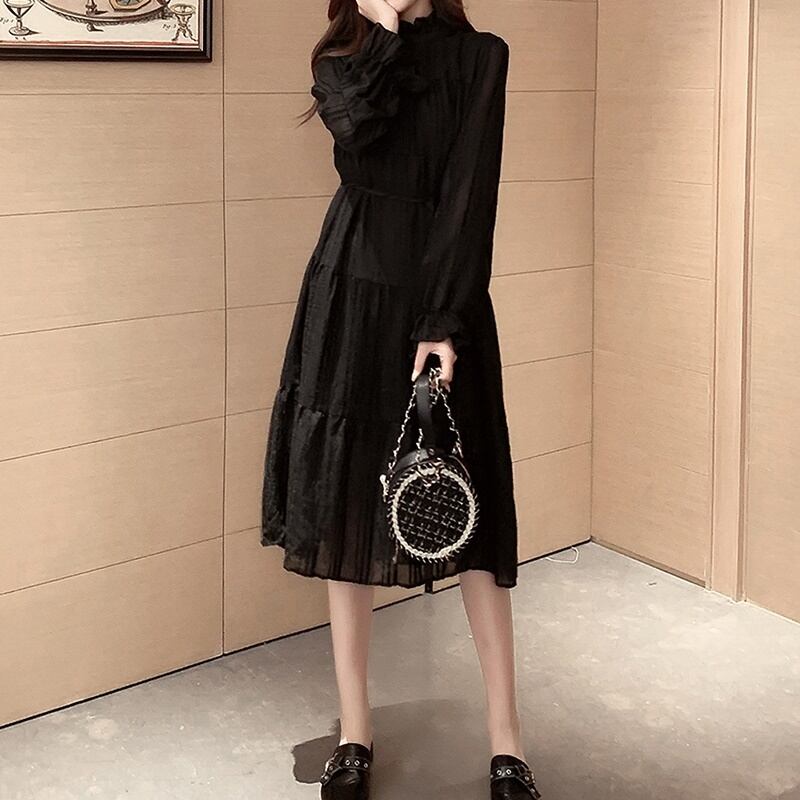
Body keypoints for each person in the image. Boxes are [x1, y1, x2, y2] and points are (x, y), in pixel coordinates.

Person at [260, 1, 541, 797]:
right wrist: (379, 28)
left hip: (440, 300)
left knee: (471, 508)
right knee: (346, 501)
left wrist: (442, 322)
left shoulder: (481, 56)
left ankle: (508, 744)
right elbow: (354, 135)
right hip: (348, 293)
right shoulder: (345, 57)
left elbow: (470, 194)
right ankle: (355, 732)